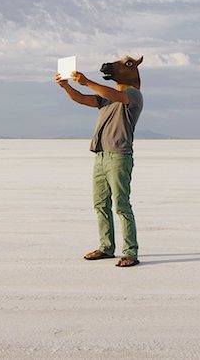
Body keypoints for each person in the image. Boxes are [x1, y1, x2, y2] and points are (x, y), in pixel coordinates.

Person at [55, 55, 144, 267]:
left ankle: (130, 252)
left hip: (119, 156)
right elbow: (81, 98)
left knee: (122, 205)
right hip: (101, 155)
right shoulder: (107, 98)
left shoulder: (133, 95)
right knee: (100, 204)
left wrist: (88, 82)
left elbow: (114, 94)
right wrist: (65, 86)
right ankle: (106, 247)